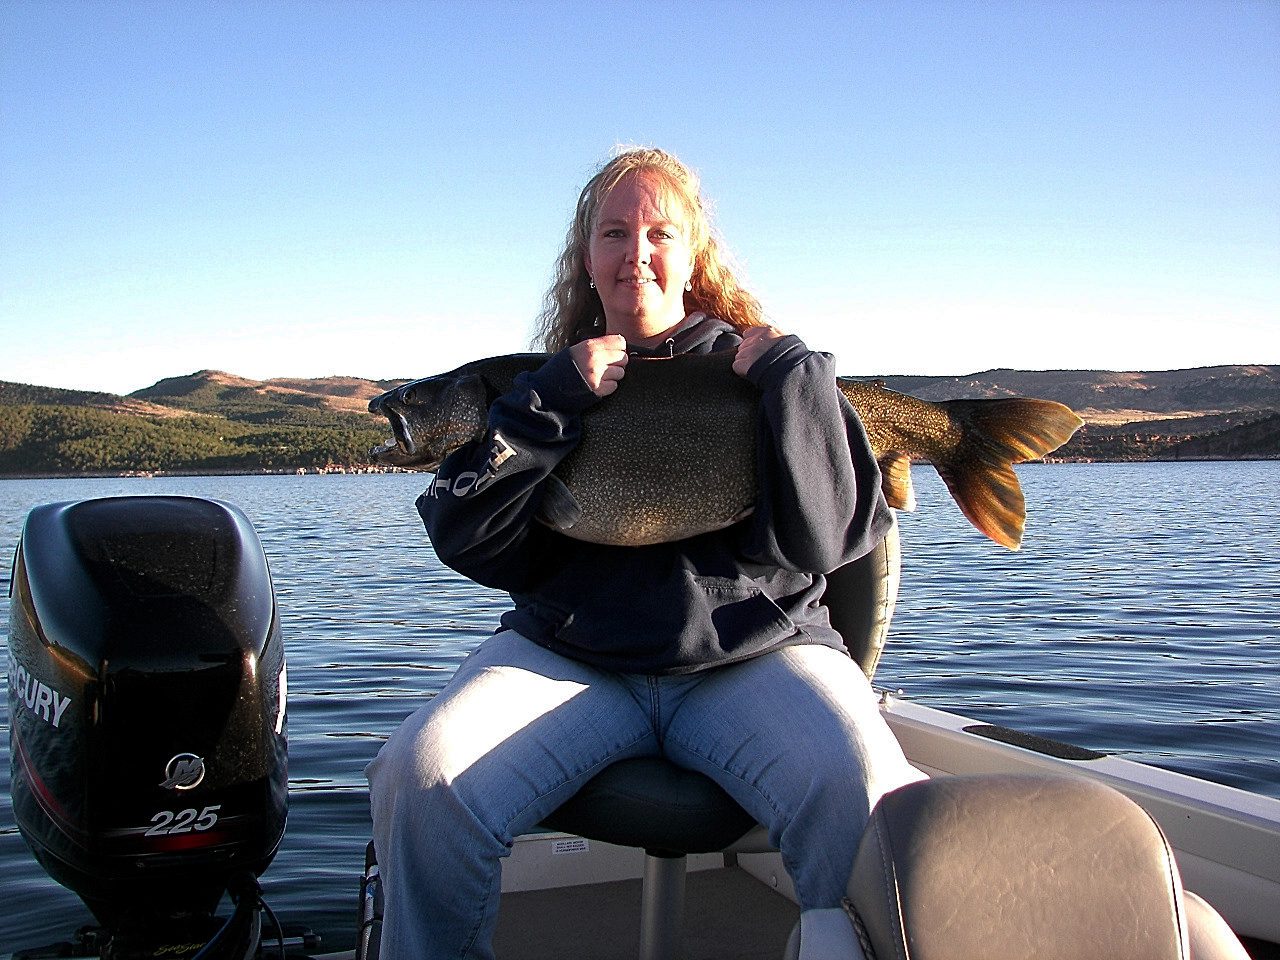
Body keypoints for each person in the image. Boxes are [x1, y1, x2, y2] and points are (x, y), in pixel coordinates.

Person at [365, 147, 923, 959]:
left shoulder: (766, 376)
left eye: (660, 233)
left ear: (693, 254)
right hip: (571, 661)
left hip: (755, 658)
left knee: (870, 792)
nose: (637, 255)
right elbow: (471, 542)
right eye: (615, 233)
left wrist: (797, 383)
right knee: (418, 780)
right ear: (586, 260)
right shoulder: (533, 387)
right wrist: (543, 408)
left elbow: (829, 541)